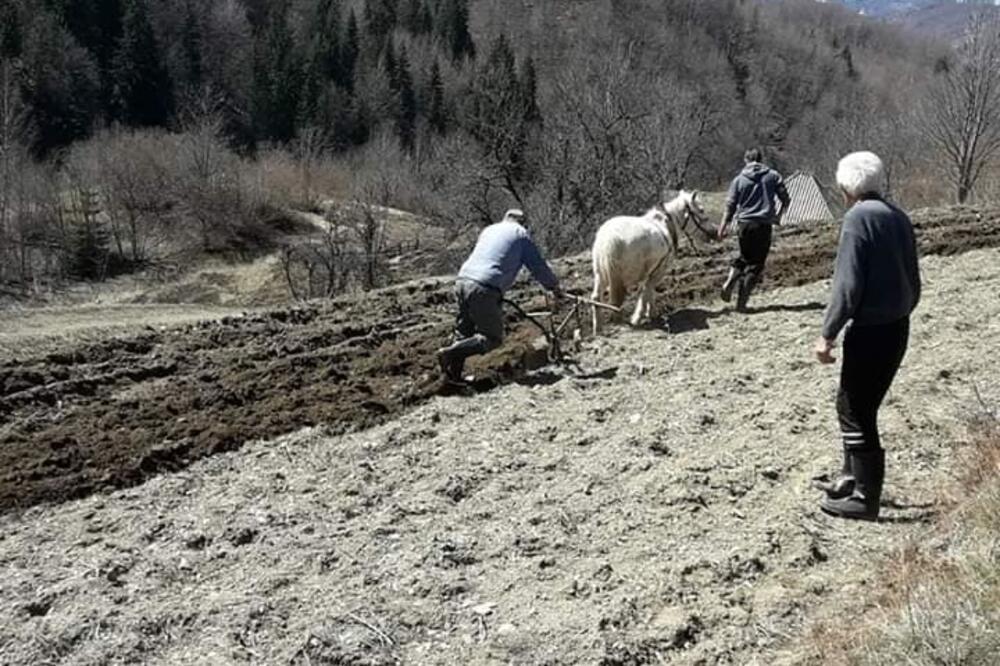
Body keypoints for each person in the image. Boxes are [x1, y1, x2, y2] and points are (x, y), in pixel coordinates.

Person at [814, 151, 921, 521]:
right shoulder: (898, 217)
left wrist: (827, 334)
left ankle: (864, 497)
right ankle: (850, 477)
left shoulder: (857, 219)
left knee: (854, 409)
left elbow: (847, 285)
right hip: (897, 327)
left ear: (845, 186)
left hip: (871, 332)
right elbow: (914, 281)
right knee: (862, 406)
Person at [437, 209, 562, 383]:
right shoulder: (521, 234)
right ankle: (449, 353)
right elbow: (537, 266)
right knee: (492, 338)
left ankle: (453, 378)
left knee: (463, 332)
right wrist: (554, 286)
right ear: (523, 222)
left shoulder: (489, 230)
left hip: (462, 281)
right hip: (484, 287)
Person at [716, 147, 791, 311]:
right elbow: (785, 199)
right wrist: (778, 216)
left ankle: (732, 277)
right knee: (756, 264)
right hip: (763, 225)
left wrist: (722, 227)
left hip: (744, 224)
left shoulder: (738, 180)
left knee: (744, 257)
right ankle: (741, 304)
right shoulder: (773, 176)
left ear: (746, 160)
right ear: (761, 159)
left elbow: (730, 206)